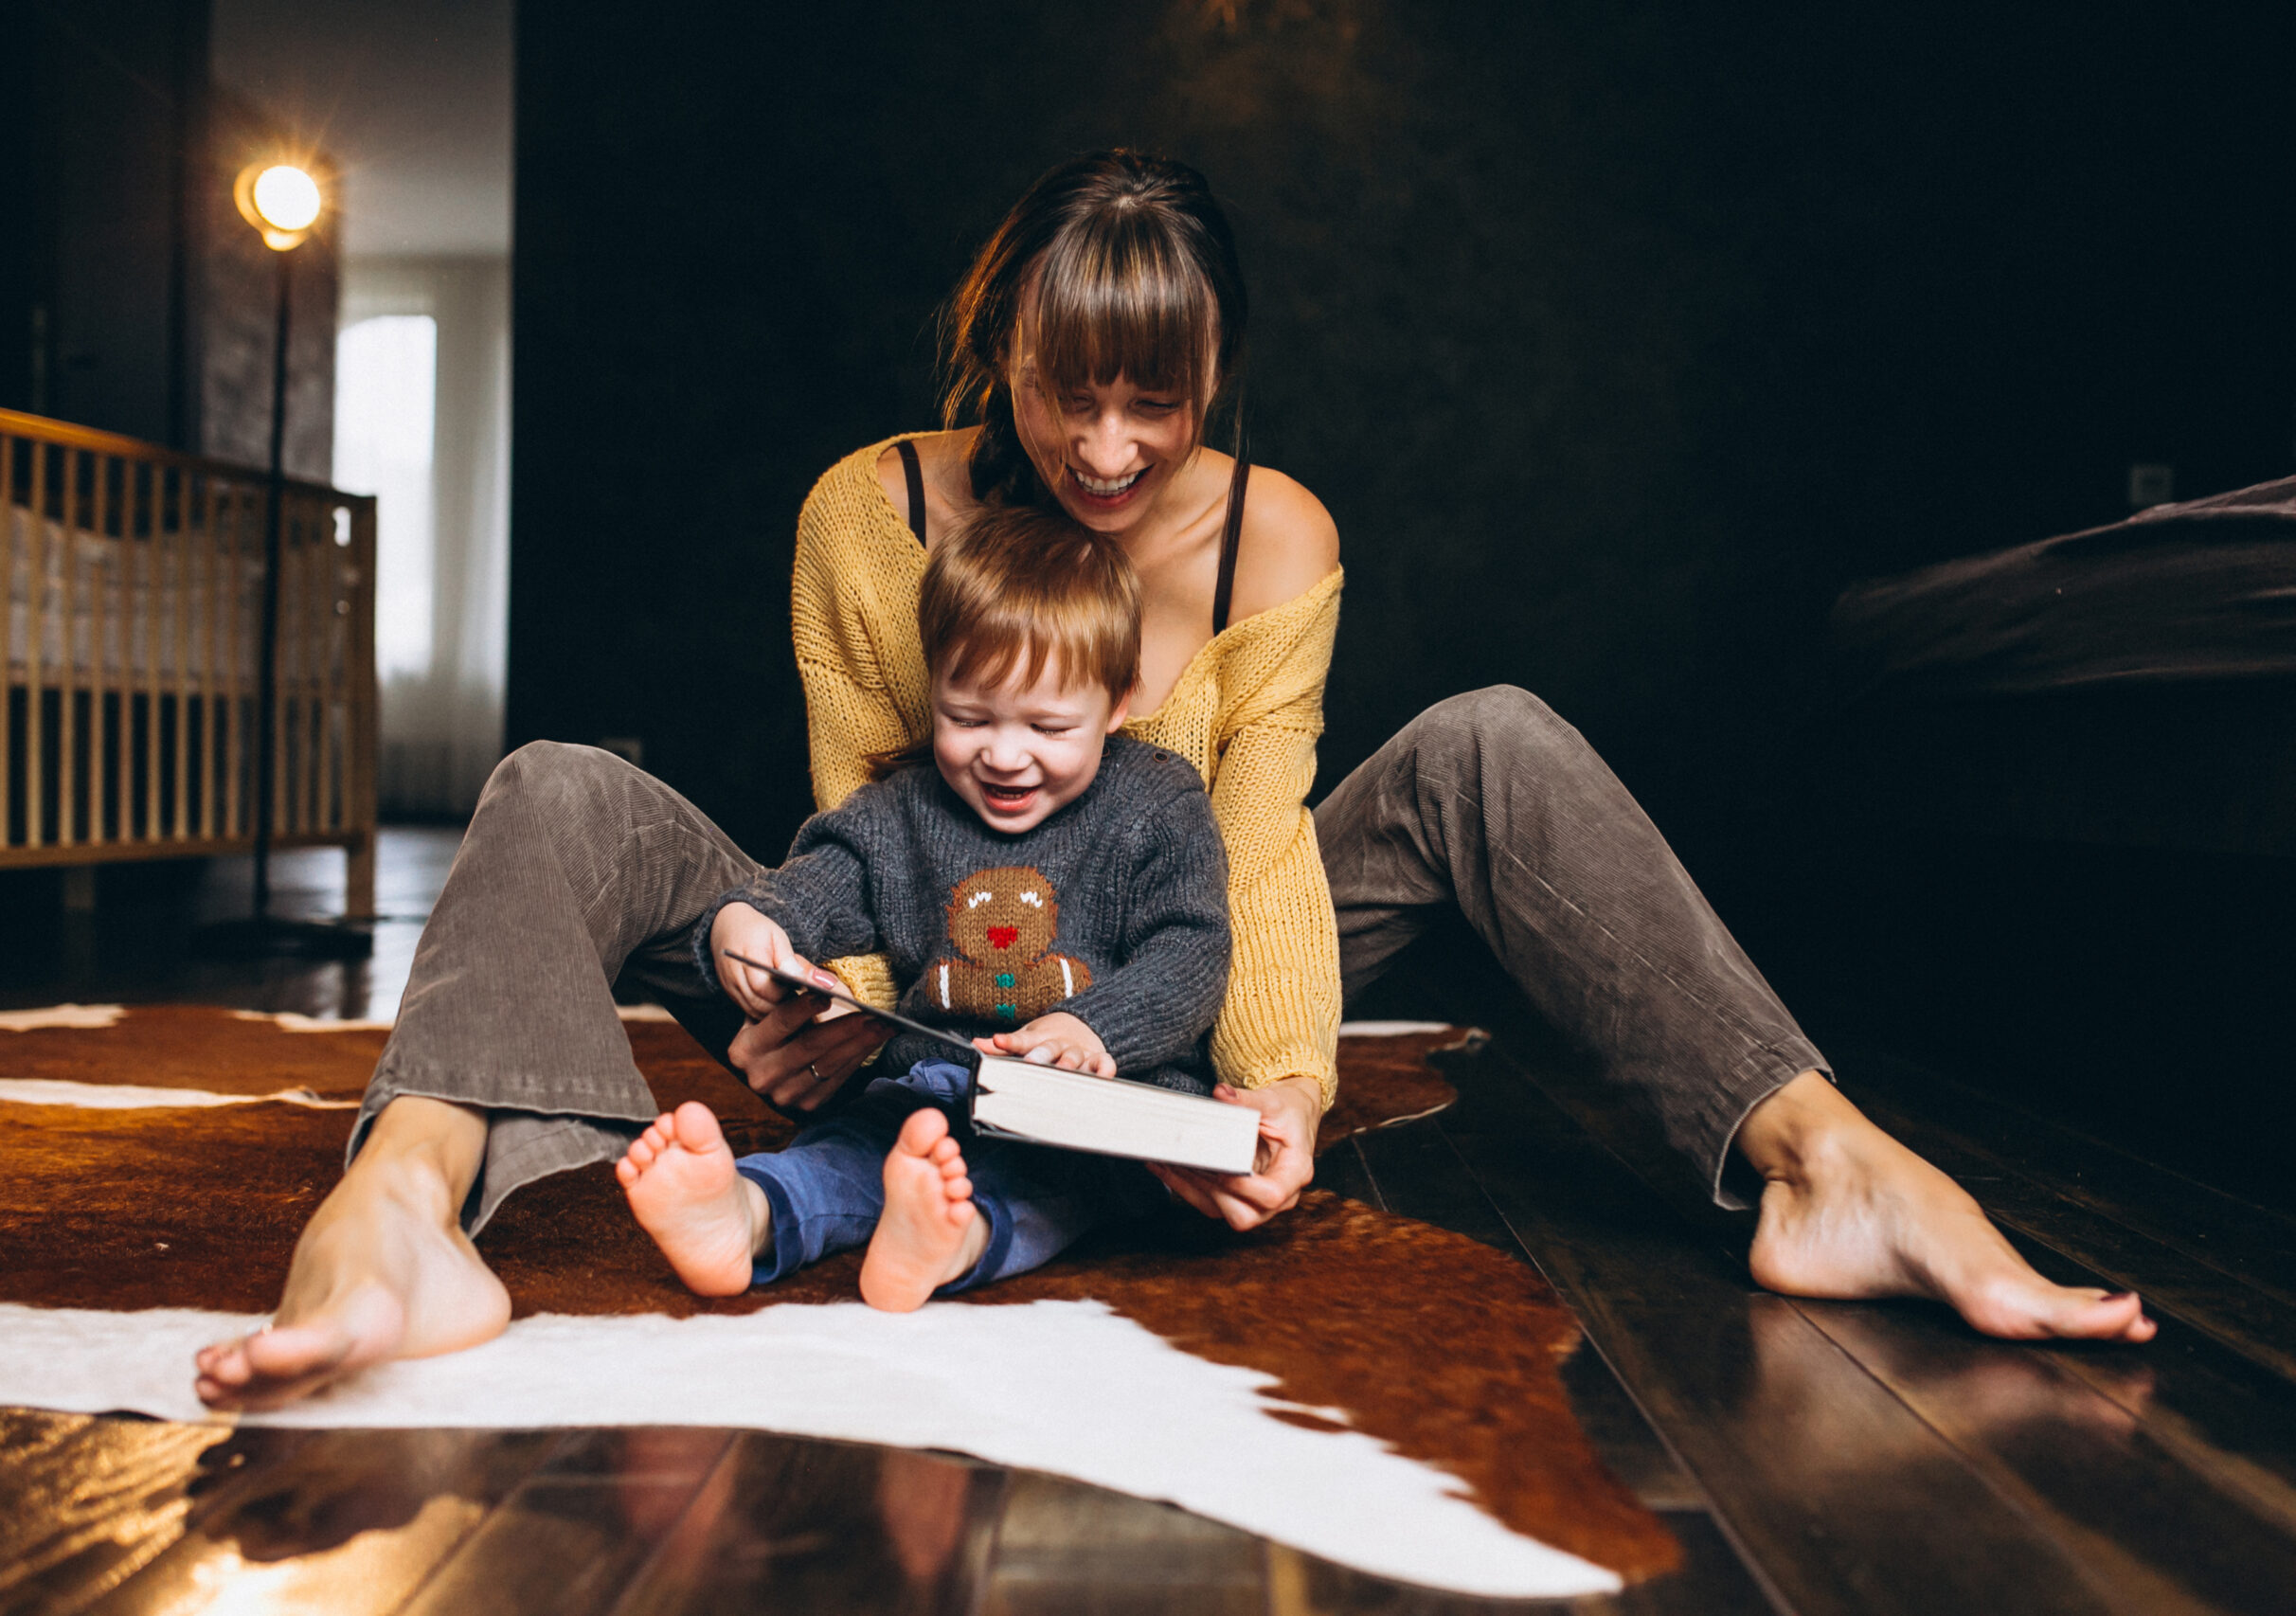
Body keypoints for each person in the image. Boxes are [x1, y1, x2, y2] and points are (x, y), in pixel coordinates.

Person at [196, 149, 2149, 1413]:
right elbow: (870, 823)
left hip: (1165, 954)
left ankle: (1829, 1166)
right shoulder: (865, 512)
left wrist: (1277, 1090)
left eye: (1160, 396)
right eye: (1067, 387)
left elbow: (1261, 845)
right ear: (1001, 345)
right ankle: (401, 1212)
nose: (1110, 445)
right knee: (550, 779)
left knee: (1494, 740)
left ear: (1210, 369)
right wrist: (809, 1003)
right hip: (900, 953)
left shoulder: (1270, 538)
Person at [616, 500, 1232, 1311]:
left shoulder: (1157, 801)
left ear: (1117, 704)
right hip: (934, 1087)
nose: (1005, 755)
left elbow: (1192, 948)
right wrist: (752, 923)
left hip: (1095, 1111)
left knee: (1058, 1179)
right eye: (967, 717)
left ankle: (954, 1240)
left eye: (1048, 726)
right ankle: (746, 1214)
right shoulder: (902, 810)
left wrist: (1094, 1029)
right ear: (933, 685)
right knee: (855, 1146)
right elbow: (819, 878)